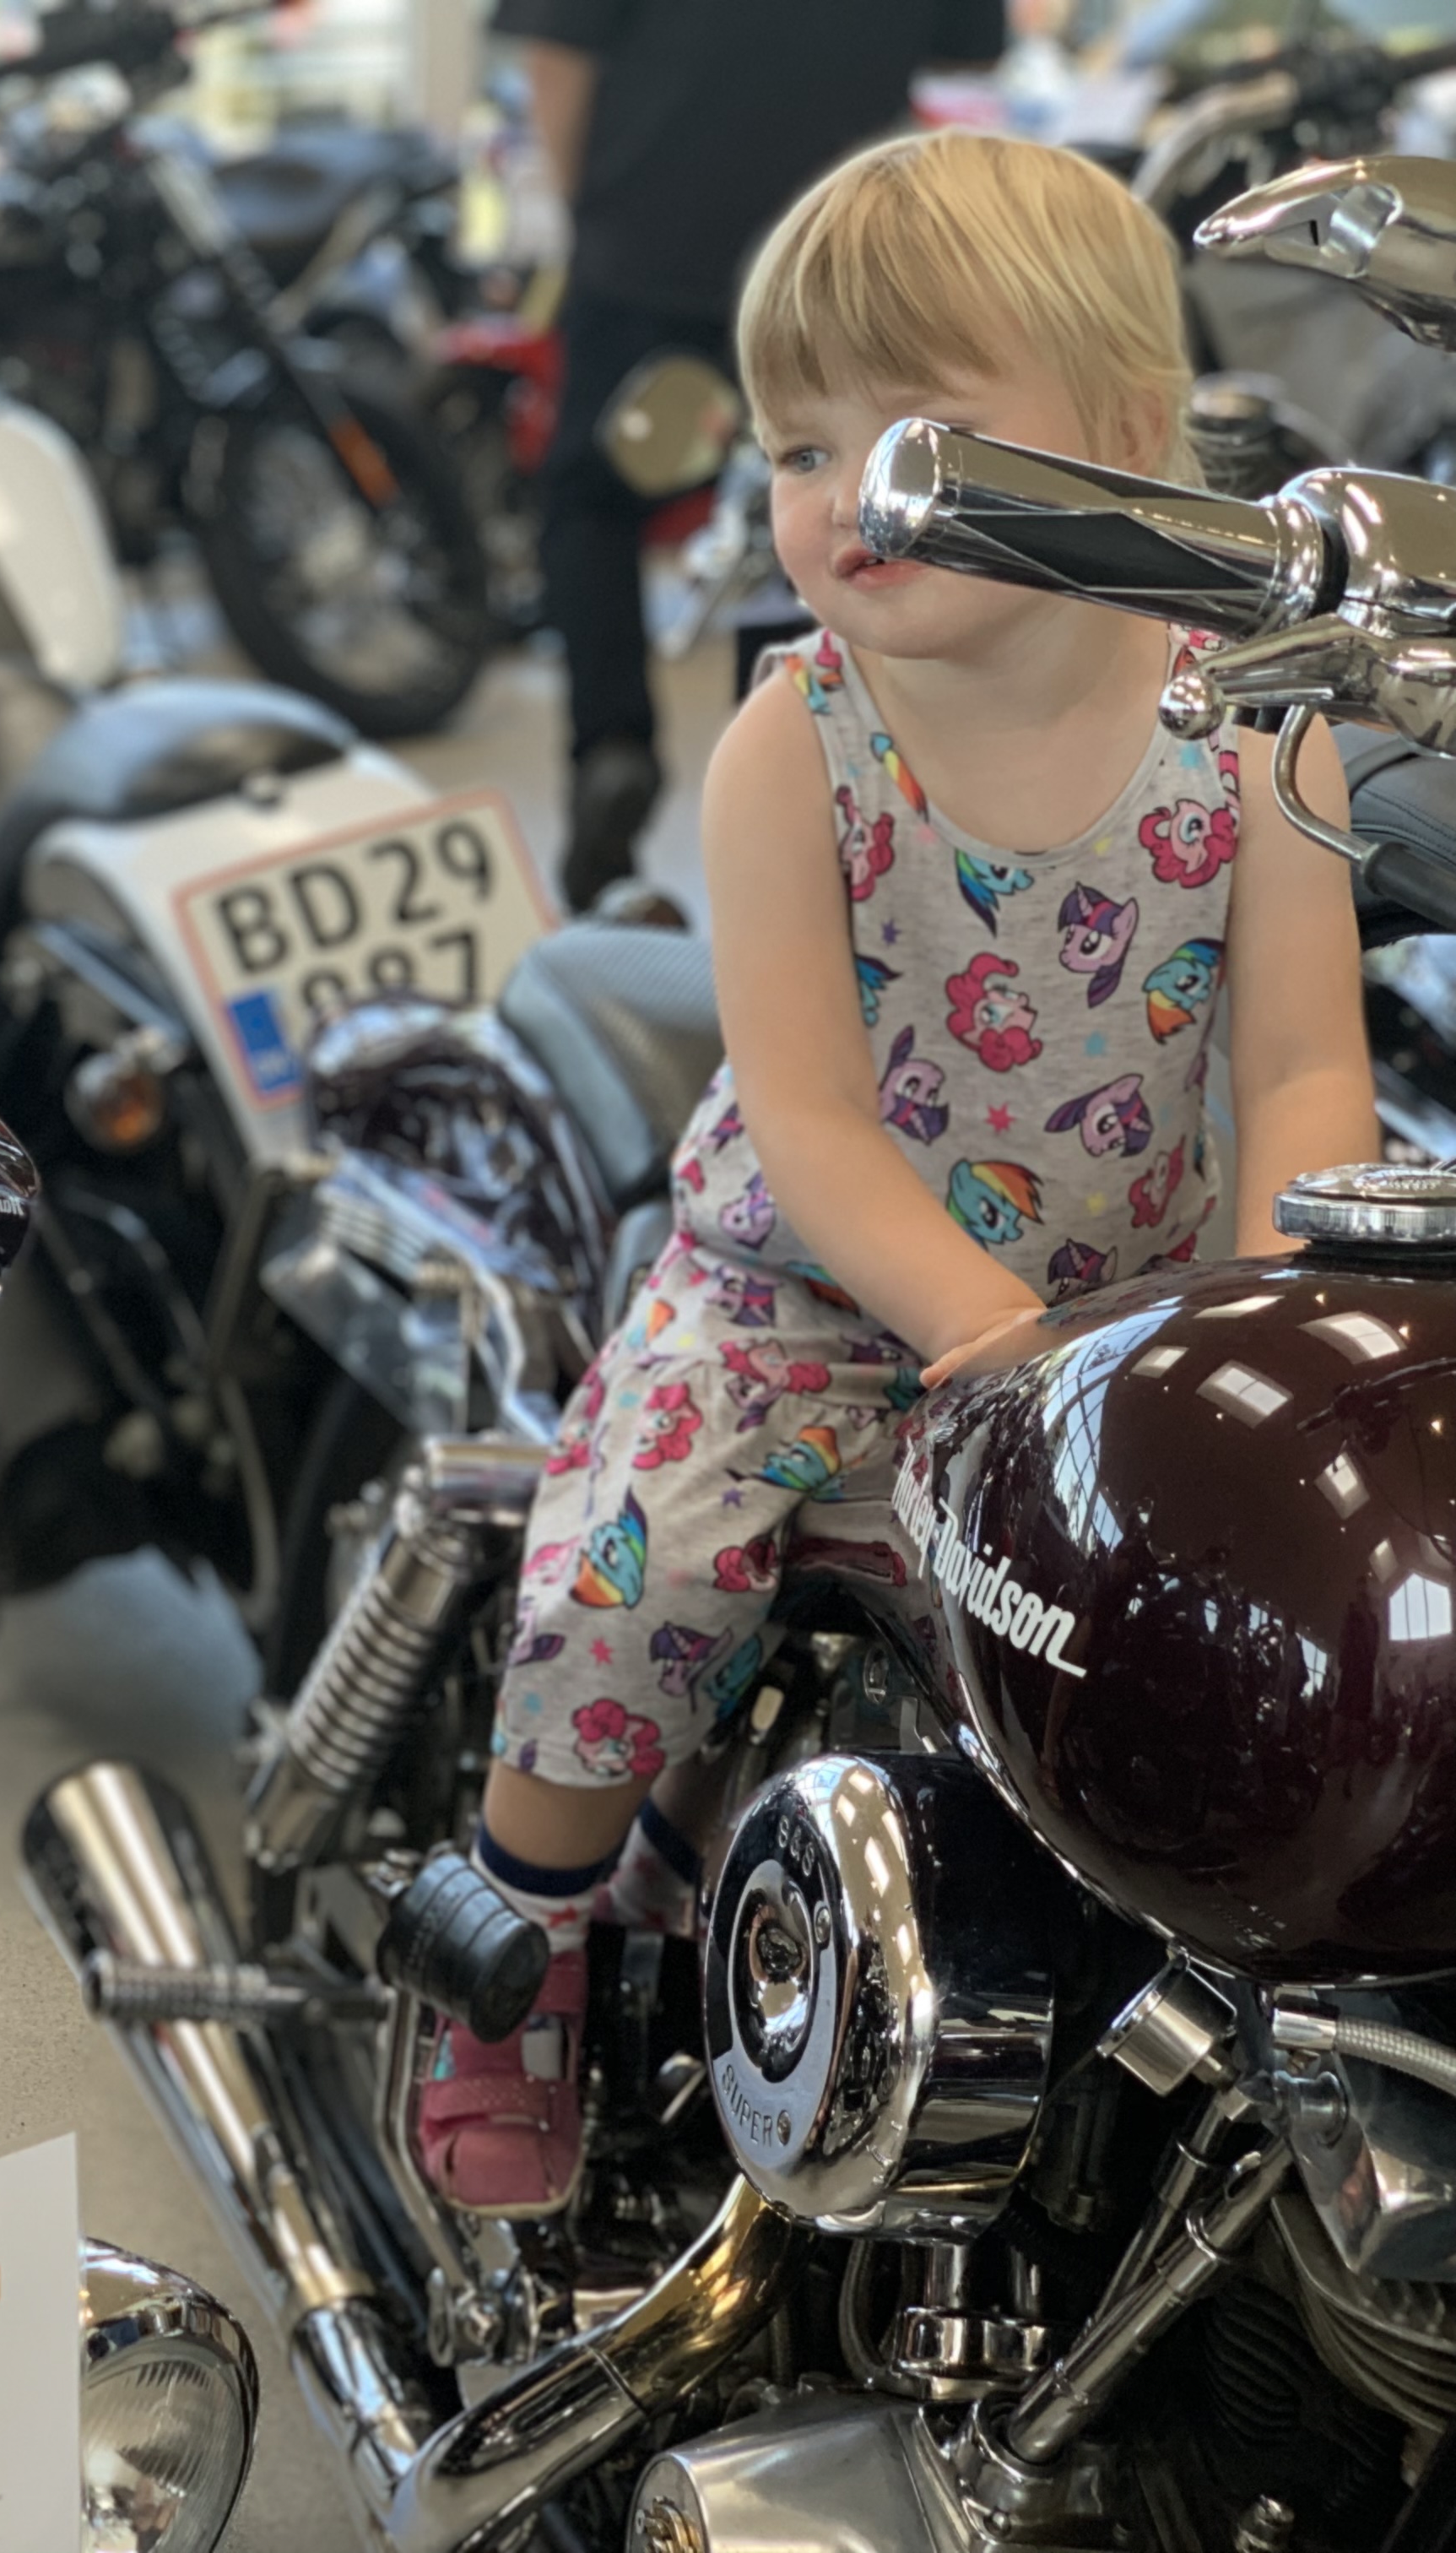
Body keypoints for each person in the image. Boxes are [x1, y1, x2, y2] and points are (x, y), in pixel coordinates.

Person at [417, 131, 1382, 2214]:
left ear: (1130, 433)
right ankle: (519, 1934)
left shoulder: (1251, 727)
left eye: (921, 441)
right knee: (641, 1561)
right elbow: (813, 1122)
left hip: (1124, 1305)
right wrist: (1000, 1339)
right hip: (809, 1296)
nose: (847, 497)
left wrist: (1254, 1335)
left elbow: (1308, 1067)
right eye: (798, 448)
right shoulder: (798, 740)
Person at [499, 0, 1009, 908]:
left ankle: (611, 745)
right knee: (828, 506)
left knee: (593, 503)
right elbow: (971, 52)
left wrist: (591, 219)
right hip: (833, 247)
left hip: (650, 245)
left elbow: (556, 59)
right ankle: (800, 789)